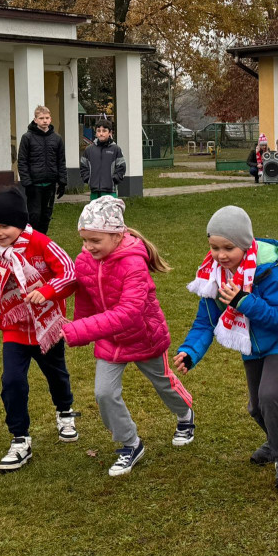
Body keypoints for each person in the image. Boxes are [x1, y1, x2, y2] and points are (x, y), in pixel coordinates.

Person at [173, 206, 278, 491]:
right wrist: (190, 351)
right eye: (214, 247)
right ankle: (275, 442)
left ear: (246, 245)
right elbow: (206, 320)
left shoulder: (271, 270)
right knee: (256, 406)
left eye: (228, 248)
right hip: (252, 342)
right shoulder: (214, 275)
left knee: (271, 394)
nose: (221, 255)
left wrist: (243, 301)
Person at [62, 197, 194, 477]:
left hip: (144, 335)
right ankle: (130, 443)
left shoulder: (134, 262)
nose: (88, 247)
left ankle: (185, 415)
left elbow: (129, 313)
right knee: (104, 393)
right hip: (109, 338)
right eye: (84, 240)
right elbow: (85, 296)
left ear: (117, 234)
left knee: (164, 383)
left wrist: (79, 330)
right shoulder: (85, 259)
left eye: (95, 240)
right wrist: (81, 328)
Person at [0, 187, 79, 472]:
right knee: (12, 381)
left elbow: (69, 274)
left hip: (47, 325)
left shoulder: (42, 243)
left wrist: (47, 291)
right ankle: (20, 439)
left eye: (4, 226)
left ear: (20, 222)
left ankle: (65, 411)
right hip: (14, 327)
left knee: (56, 374)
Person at [17, 105, 67, 235]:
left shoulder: (57, 138)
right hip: (34, 184)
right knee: (34, 215)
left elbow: (61, 161)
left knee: (46, 215)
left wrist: (62, 182)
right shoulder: (27, 138)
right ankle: (32, 240)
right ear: (35, 120)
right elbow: (22, 161)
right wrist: (26, 182)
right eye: (41, 118)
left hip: (50, 183)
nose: (44, 120)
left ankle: (42, 241)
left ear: (50, 119)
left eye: (47, 118)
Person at [80, 118, 126, 199]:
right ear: (96, 133)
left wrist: (114, 179)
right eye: (98, 131)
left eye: (104, 131)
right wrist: (88, 179)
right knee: (95, 211)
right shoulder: (89, 150)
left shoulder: (115, 149)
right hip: (94, 191)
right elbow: (83, 166)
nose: (101, 133)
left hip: (110, 192)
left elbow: (121, 167)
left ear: (110, 133)